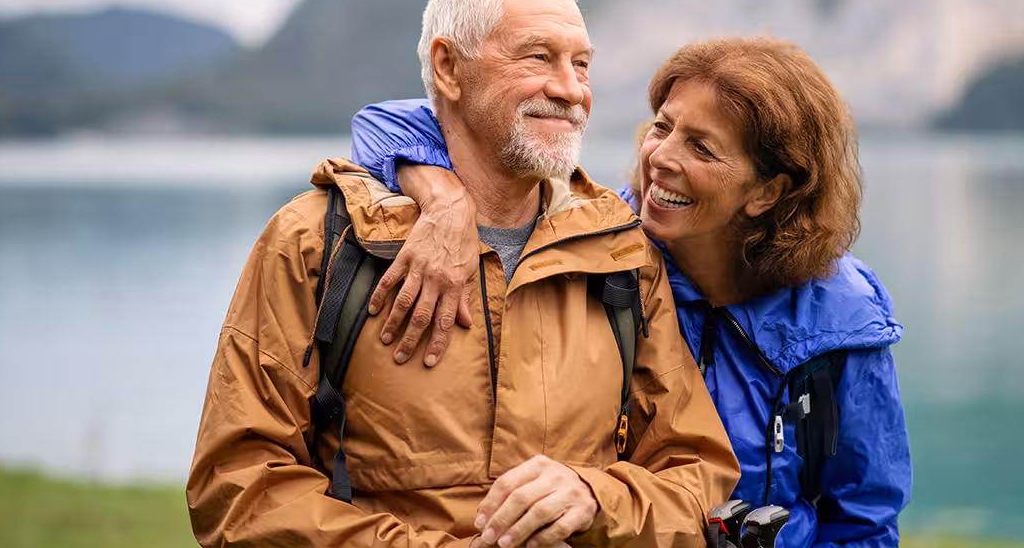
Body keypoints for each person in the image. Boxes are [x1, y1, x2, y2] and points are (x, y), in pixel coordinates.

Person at [186, 0, 740, 548]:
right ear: (448, 67)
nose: (572, 90)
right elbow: (239, 490)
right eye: (537, 56)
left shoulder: (621, 250)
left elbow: (697, 474)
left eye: (581, 64)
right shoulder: (315, 242)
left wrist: (595, 498)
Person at [350, 36, 912, 545]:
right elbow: (382, 122)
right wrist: (442, 196)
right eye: (663, 126)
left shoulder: (841, 320)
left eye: (702, 148)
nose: (660, 158)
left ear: (768, 191)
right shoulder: (602, 247)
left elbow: (864, 521)